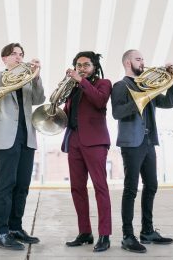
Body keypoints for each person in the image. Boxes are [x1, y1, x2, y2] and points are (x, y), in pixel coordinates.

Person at [111, 49, 173, 253]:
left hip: (148, 142)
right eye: (138, 59)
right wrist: (141, 98)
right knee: (131, 189)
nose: (143, 62)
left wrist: (172, 82)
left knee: (151, 186)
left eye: (143, 59)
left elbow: (168, 103)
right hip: (131, 143)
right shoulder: (120, 86)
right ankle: (127, 236)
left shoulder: (148, 84)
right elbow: (117, 112)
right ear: (127, 63)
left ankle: (147, 231)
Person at [0, 43, 45, 250]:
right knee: (5, 185)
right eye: (14, 54)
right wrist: (0, 90)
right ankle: (1, 233)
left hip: (26, 137)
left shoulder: (27, 79)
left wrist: (36, 77)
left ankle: (15, 228)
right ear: (4, 58)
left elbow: (38, 99)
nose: (19, 57)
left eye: (21, 54)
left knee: (22, 186)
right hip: (4, 137)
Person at [62, 51, 112, 252]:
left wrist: (80, 81)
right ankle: (85, 232)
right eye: (78, 65)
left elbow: (99, 101)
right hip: (73, 140)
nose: (81, 68)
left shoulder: (103, 83)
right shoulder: (73, 87)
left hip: (95, 142)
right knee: (77, 189)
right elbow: (67, 114)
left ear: (94, 66)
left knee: (100, 187)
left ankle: (105, 235)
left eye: (86, 65)